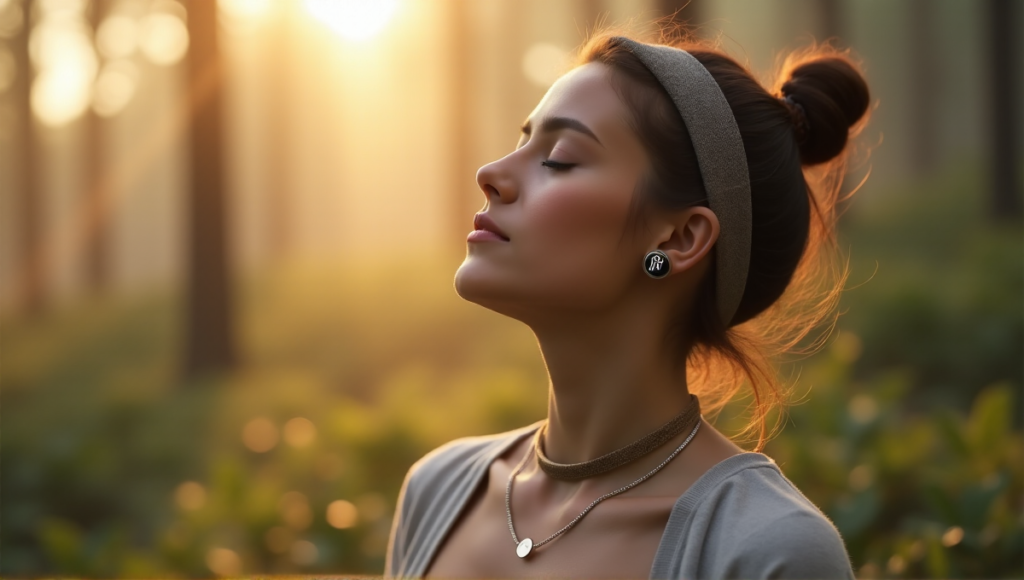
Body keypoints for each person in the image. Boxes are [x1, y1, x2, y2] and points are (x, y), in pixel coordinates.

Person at [385, 28, 870, 580]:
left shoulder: (764, 549)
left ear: (678, 240)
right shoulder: (439, 492)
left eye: (560, 158)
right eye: (522, 141)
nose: (491, 175)